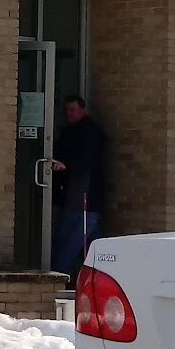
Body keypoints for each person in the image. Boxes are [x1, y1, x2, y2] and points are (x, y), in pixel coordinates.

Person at [51, 96, 106, 277]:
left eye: (72, 110)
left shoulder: (89, 133)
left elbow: (86, 162)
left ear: (82, 110)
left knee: (66, 245)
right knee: (93, 250)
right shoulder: (73, 131)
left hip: (82, 201)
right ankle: (96, 281)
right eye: (66, 110)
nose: (68, 113)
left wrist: (65, 165)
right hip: (79, 200)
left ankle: (56, 279)